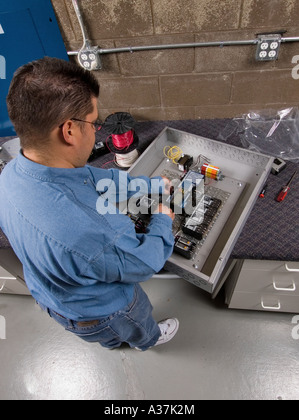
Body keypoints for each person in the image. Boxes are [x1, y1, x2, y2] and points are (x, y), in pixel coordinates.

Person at [0, 57, 179, 351]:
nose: (98, 131)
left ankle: (113, 342)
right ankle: (148, 340)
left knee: (106, 338)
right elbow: (145, 262)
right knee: (134, 325)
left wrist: (151, 185)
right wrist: (162, 217)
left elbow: (94, 178)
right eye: (94, 123)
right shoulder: (91, 232)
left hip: (54, 300)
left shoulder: (11, 175)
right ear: (69, 131)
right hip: (105, 310)